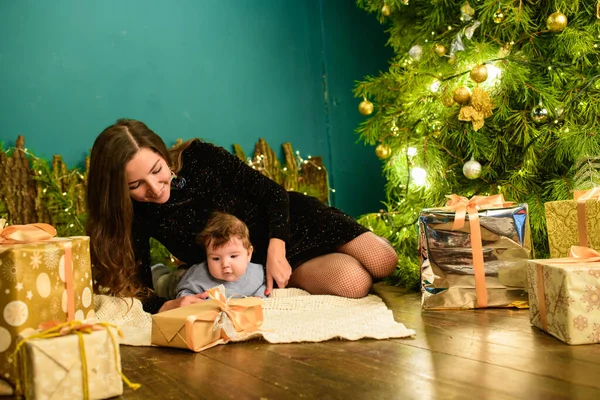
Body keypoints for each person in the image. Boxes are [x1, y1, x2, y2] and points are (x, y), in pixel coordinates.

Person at [86, 119, 398, 314]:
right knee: (354, 282)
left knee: (384, 260)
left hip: (292, 222)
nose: (154, 188)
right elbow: (140, 288)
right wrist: (169, 304)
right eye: (135, 185)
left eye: (156, 171)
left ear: (161, 154)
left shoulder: (199, 157)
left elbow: (273, 194)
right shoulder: (137, 214)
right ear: (118, 190)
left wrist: (278, 249)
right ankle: (302, 274)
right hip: (259, 265)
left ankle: (353, 240)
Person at [175, 212, 267, 298]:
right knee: (166, 282)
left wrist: (258, 297)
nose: (225, 264)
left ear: (248, 254)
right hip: (180, 277)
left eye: (233, 256)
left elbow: (266, 285)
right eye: (216, 258)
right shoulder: (198, 277)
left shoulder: (257, 273)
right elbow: (183, 294)